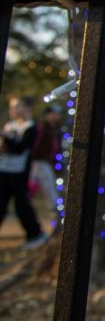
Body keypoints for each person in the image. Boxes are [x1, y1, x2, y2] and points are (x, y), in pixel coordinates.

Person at [0, 97, 47, 249]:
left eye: (16, 106)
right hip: (4, 169)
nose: (13, 110)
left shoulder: (31, 127)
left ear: (27, 108)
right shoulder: (10, 125)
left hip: (19, 172)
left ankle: (35, 234)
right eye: (11, 107)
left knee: (22, 204)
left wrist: (7, 138)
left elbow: (20, 148)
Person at [30, 105, 62, 221]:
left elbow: (57, 148)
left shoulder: (57, 129)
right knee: (35, 188)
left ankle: (55, 214)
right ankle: (54, 212)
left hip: (46, 163)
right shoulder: (41, 127)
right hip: (37, 162)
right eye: (54, 114)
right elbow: (35, 145)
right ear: (48, 115)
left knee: (48, 188)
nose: (56, 116)